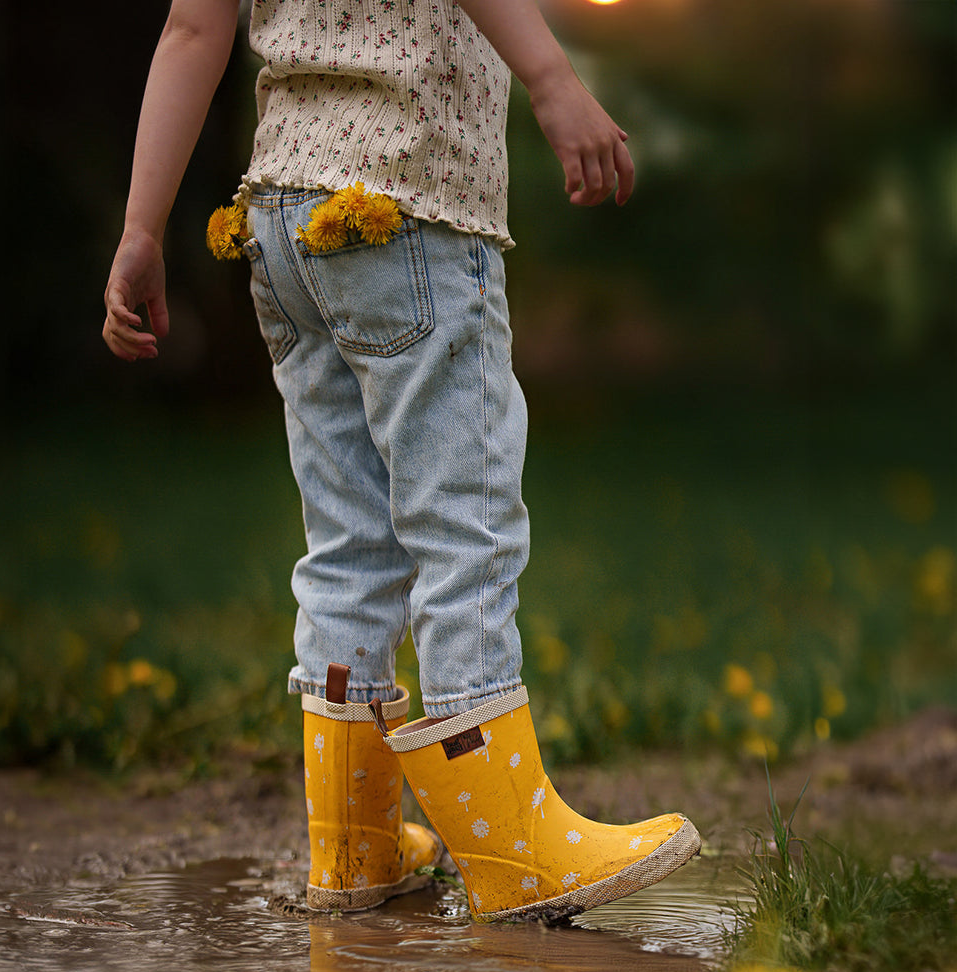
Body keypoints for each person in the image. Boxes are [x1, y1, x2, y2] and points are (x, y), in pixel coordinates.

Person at [103, 0, 700, 923]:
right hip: (405, 201)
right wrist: (552, 80)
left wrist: (142, 228)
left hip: (282, 225)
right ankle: (513, 851)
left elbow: (191, 29)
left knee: (348, 542)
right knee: (465, 521)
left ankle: (354, 848)